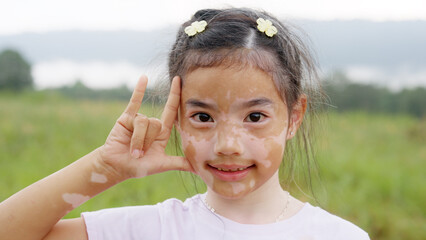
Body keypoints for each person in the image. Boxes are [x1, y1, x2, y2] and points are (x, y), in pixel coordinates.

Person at [0, 8, 369, 240]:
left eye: (255, 117)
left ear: (294, 117)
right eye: (203, 117)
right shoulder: (148, 230)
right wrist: (103, 168)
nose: (228, 145)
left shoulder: (339, 236)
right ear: (176, 121)